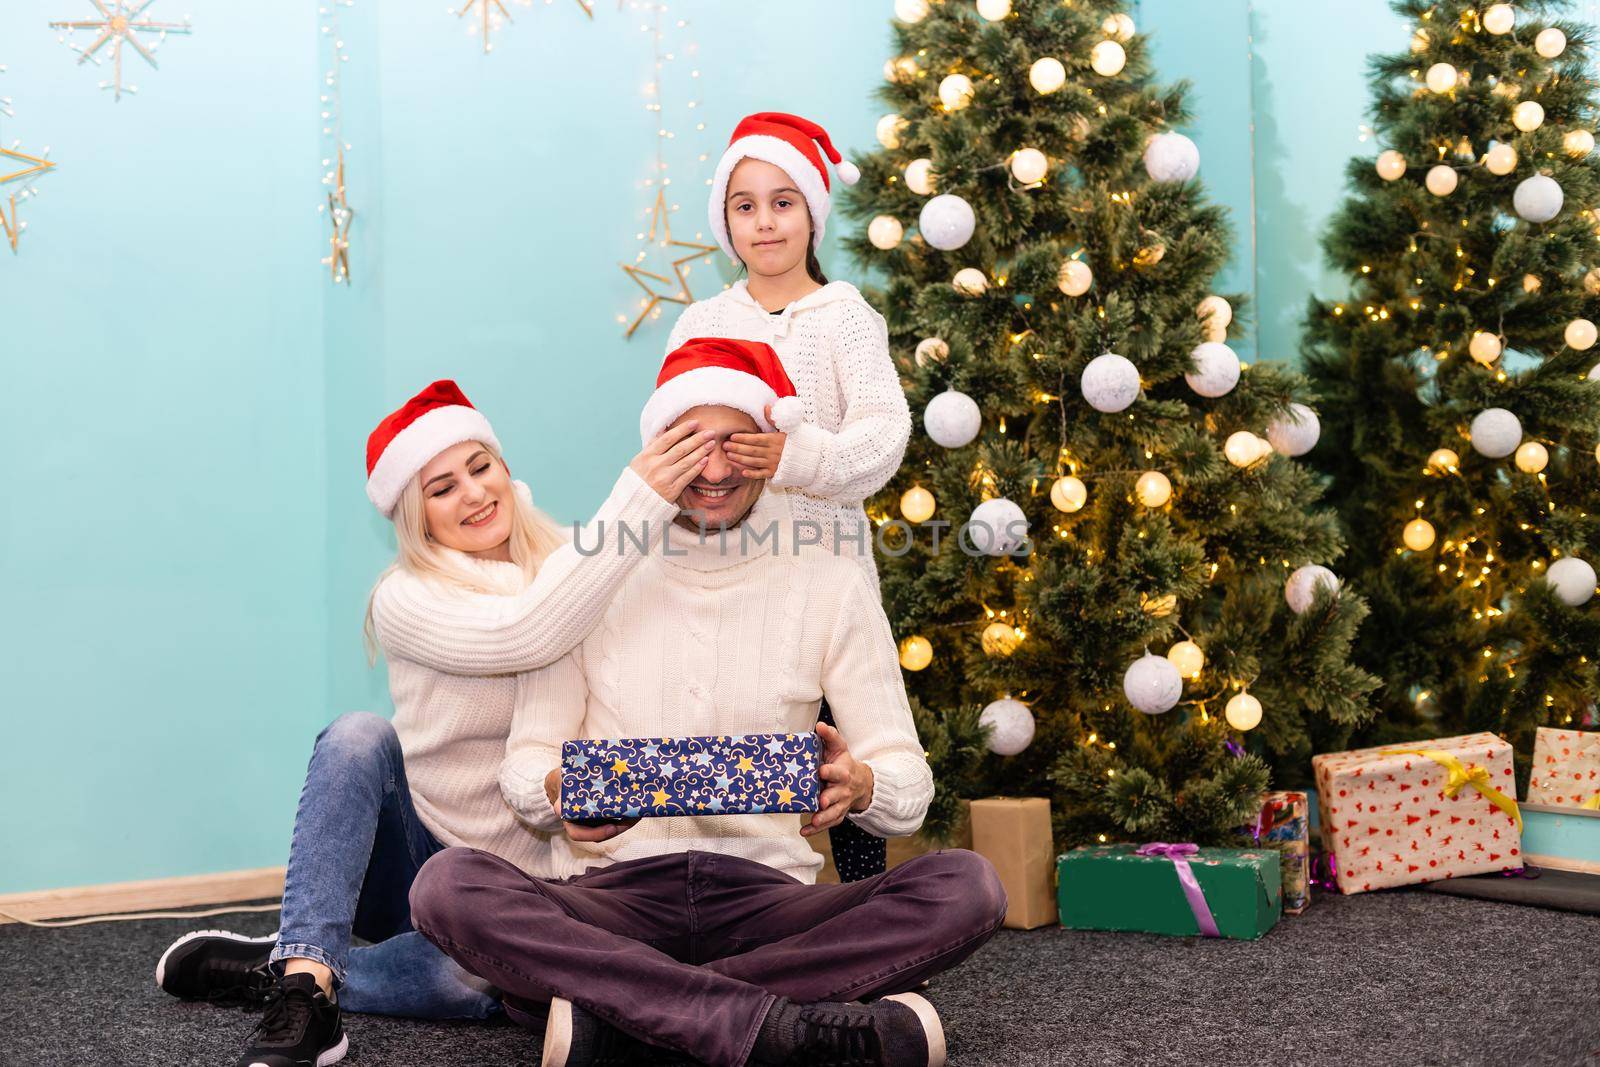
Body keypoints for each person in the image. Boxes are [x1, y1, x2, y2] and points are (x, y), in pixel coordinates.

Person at [409, 339, 1006, 1067]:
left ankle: (626, 1017)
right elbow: (524, 769)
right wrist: (558, 790)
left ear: (768, 447)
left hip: (773, 900)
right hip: (616, 898)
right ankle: (781, 1022)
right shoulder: (592, 574)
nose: (717, 471)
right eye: (693, 446)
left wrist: (862, 785)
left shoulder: (830, 581)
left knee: (966, 886)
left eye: (738, 444)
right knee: (448, 886)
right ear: (658, 448)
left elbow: (909, 788)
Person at [154, 380, 712, 1067]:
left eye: (481, 467)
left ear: (507, 469)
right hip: (414, 858)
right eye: (442, 487)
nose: (474, 494)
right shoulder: (407, 597)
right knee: (358, 734)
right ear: (416, 514)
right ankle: (306, 991)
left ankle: (295, 967)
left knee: (479, 974)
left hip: (520, 886)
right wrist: (638, 493)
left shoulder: (572, 562)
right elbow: (529, 631)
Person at [667, 110, 914, 883]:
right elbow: (672, 440)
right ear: (726, 220)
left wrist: (796, 457)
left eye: (783, 201)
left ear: (812, 211)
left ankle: (867, 913)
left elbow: (883, 436)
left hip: (826, 574)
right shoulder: (701, 322)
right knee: (741, 727)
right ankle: (739, 895)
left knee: (843, 741)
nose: (765, 221)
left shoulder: (844, 319)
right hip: (729, 576)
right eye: (746, 205)